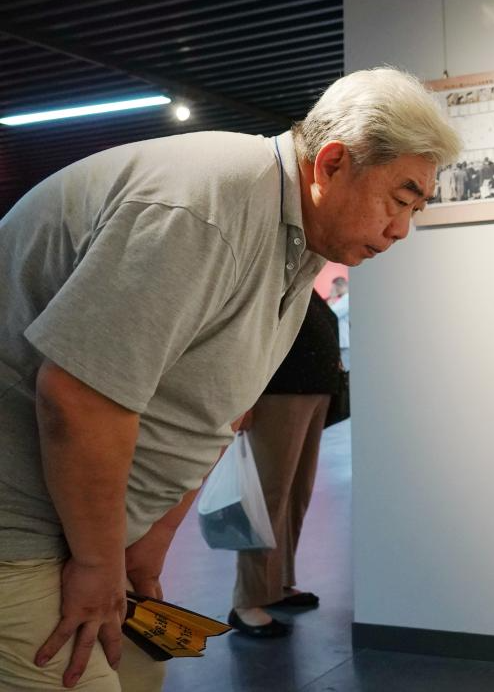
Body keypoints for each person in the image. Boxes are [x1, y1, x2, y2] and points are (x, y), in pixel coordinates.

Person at [0, 67, 460, 691]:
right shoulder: (206, 209)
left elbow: (219, 408)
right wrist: (96, 562)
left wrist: (150, 540)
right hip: (23, 527)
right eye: (399, 200)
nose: (402, 228)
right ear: (331, 164)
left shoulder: (299, 236)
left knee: (141, 675)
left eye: (415, 209)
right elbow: (78, 398)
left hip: (95, 529)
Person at [230, 291, 344, 638]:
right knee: (268, 497)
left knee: (296, 495)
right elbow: (245, 337)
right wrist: (244, 400)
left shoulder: (302, 281)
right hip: (278, 394)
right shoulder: (269, 279)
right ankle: (247, 600)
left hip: (312, 391)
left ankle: (277, 584)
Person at [328, 276, 350, 371]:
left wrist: (332, 298)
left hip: (344, 342)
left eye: (333, 288)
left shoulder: (346, 299)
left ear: (339, 287)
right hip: (342, 341)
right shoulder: (344, 300)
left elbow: (330, 314)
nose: (332, 291)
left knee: (346, 368)